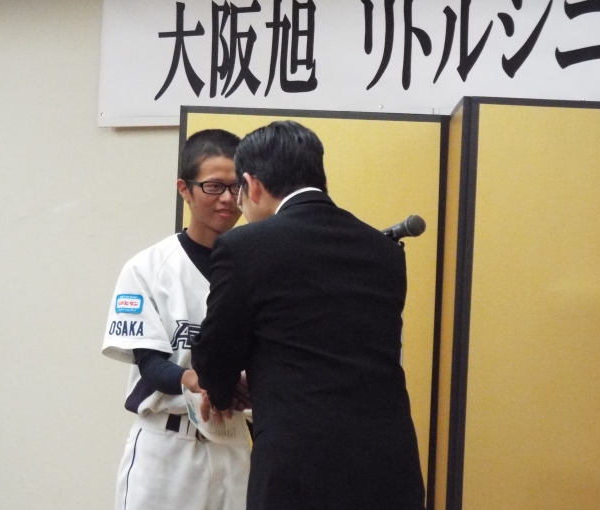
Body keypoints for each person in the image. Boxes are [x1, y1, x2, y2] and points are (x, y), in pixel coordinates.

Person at [191, 121, 426, 510]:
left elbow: (217, 352)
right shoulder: (383, 250)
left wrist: (220, 390)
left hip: (299, 466)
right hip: (390, 463)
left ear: (252, 185)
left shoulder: (244, 247)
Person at [102, 129, 250, 510]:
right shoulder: (148, 268)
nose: (227, 199)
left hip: (235, 445)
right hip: (168, 448)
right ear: (184, 189)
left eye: (237, 187)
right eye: (213, 186)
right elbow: (150, 363)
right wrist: (193, 379)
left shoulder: (257, 269)